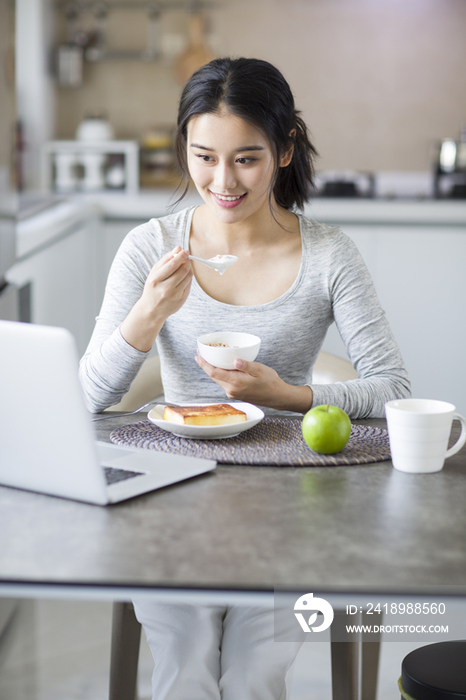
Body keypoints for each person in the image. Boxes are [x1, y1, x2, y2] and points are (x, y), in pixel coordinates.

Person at [79, 57, 411, 699]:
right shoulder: (149, 248)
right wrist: (145, 318)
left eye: (246, 159)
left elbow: (393, 388)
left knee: (255, 674)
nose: (221, 181)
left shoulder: (328, 254)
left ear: (286, 149)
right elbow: (90, 397)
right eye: (204, 156)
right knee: (185, 666)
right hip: (170, 500)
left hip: (288, 504)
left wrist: (285, 395)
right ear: (185, 150)